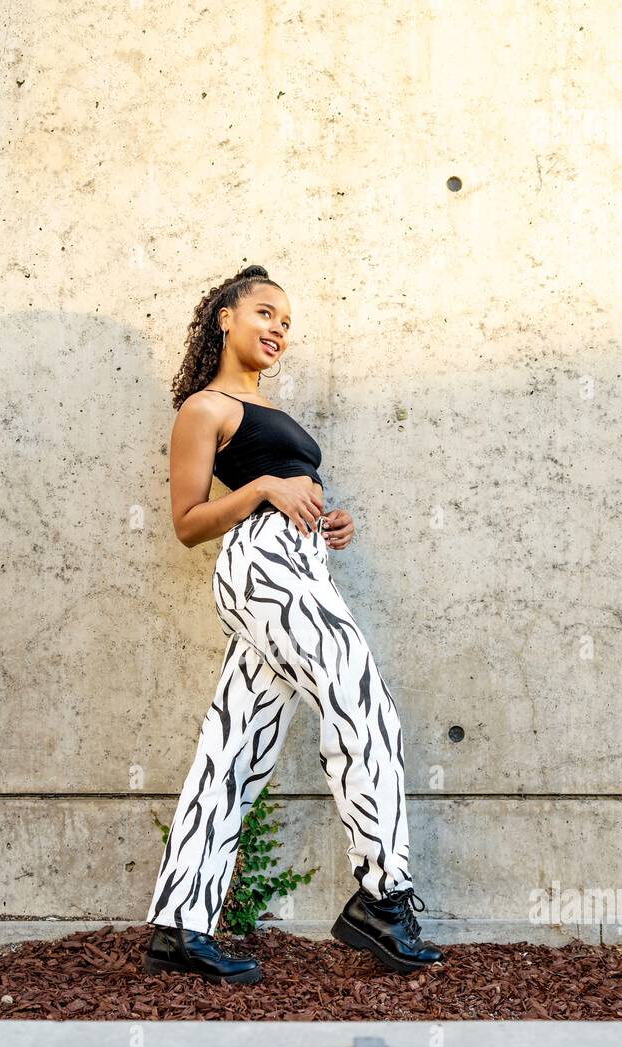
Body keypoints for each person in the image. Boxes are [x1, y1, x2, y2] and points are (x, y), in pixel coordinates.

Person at [145, 264, 445, 984]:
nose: (278, 329)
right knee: (363, 706)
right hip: (263, 572)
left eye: (287, 322)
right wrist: (263, 488)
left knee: (234, 751)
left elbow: (289, 490)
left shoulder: (263, 408)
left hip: (301, 566)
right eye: (265, 313)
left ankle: (179, 927)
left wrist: (323, 518)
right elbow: (188, 524)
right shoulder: (205, 408)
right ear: (226, 317)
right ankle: (383, 899)